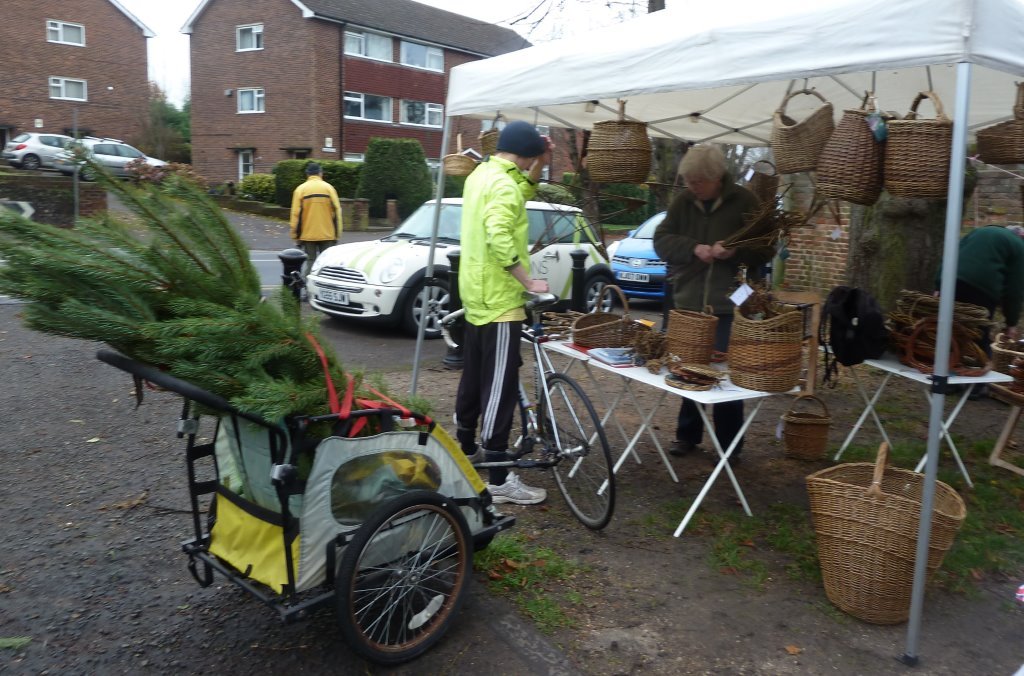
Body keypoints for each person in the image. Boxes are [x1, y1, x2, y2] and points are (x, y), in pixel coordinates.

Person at [653, 144, 773, 465]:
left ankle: (729, 445)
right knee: (687, 372)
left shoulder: (745, 203)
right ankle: (687, 436)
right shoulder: (682, 203)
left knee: (725, 378)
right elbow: (661, 241)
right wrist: (693, 248)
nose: (693, 187)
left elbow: (765, 248)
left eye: (699, 182)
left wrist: (736, 252)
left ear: (717, 177)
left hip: (727, 307)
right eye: (689, 181)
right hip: (689, 305)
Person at [454, 120, 551, 505]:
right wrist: (528, 282)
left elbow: (522, 189)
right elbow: (498, 234)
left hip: (474, 294)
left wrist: (541, 163)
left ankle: (465, 449)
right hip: (499, 301)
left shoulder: (481, 175)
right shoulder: (504, 185)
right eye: (534, 159)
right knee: (500, 386)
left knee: (473, 376)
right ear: (525, 155)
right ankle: (497, 478)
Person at [939, 224, 1024, 398]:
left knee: (953, 330)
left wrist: (938, 282)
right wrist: (1011, 323)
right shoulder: (1019, 247)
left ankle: (946, 380)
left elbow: (951, 252)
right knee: (979, 334)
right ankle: (976, 386)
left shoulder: (979, 231)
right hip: (983, 288)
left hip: (952, 280)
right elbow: (1014, 289)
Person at [289, 162, 342, 276]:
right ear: (320, 173)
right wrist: (337, 234)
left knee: (311, 262)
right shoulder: (329, 188)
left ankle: (308, 288)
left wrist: (295, 236)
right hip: (328, 234)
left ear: (307, 175)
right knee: (327, 263)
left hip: (308, 235)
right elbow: (337, 212)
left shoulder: (300, 190)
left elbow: (295, 214)